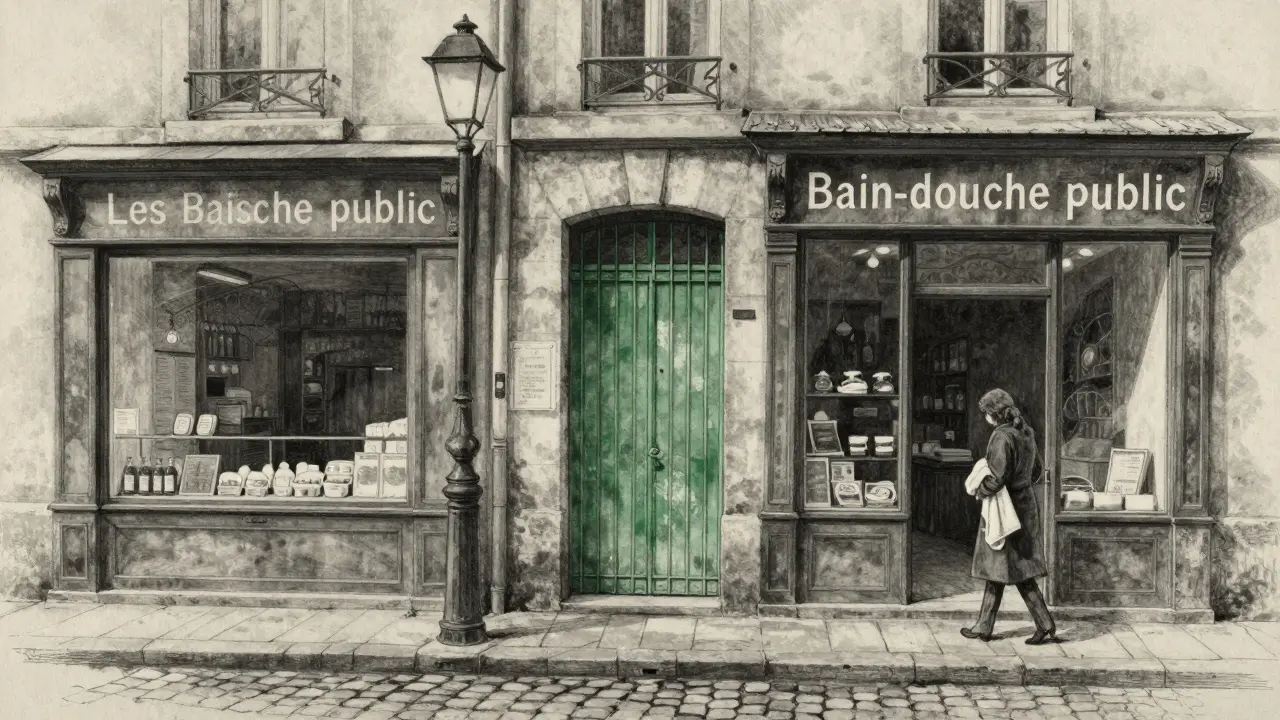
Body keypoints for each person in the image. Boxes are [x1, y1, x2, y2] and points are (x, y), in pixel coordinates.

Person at [961, 388, 1057, 645]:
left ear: (993, 413)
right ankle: (993, 625)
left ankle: (991, 626)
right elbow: (1036, 470)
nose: (984, 418)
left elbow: (996, 477)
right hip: (1026, 507)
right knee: (1014, 569)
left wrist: (979, 490)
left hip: (1005, 510)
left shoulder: (1001, 437)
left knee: (1005, 567)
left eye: (986, 413)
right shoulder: (1026, 433)